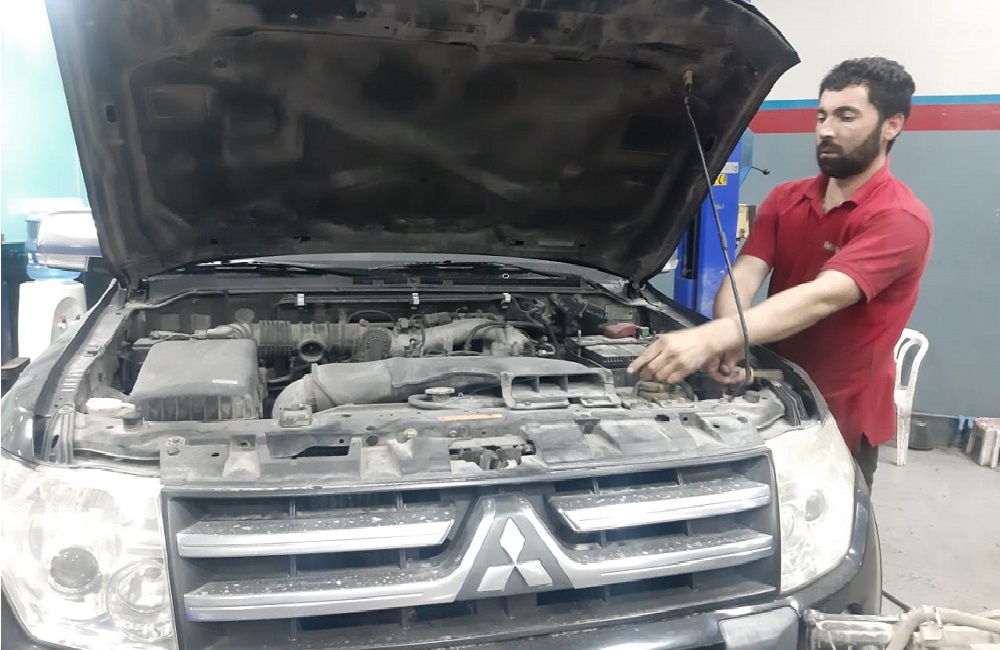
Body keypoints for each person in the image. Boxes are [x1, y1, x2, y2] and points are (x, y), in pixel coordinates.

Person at [627, 57, 933, 490]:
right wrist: (732, 340)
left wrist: (711, 337)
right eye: (822, 116)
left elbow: (823, 297)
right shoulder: (787, 198)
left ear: (892, 125)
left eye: (846, 116)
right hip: (770, 391)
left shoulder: (900, 218)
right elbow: (744, 275)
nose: (826, 130)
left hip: (839, 414)